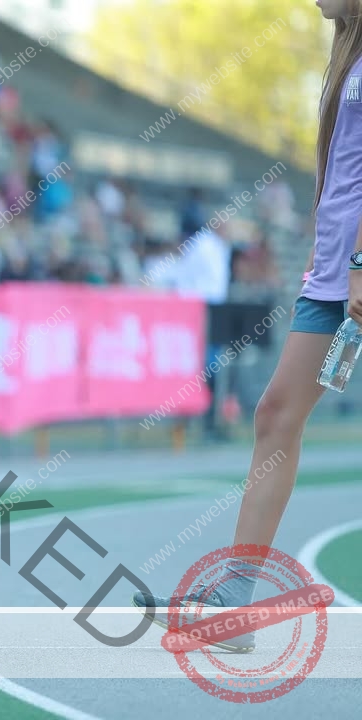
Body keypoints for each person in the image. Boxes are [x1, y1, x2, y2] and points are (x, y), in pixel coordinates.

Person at [132, 0, 362, 653]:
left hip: (354, 272)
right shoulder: (349, 53)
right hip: (333, 275)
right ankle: (234, 601)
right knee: (275, 415)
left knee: (276, 414)